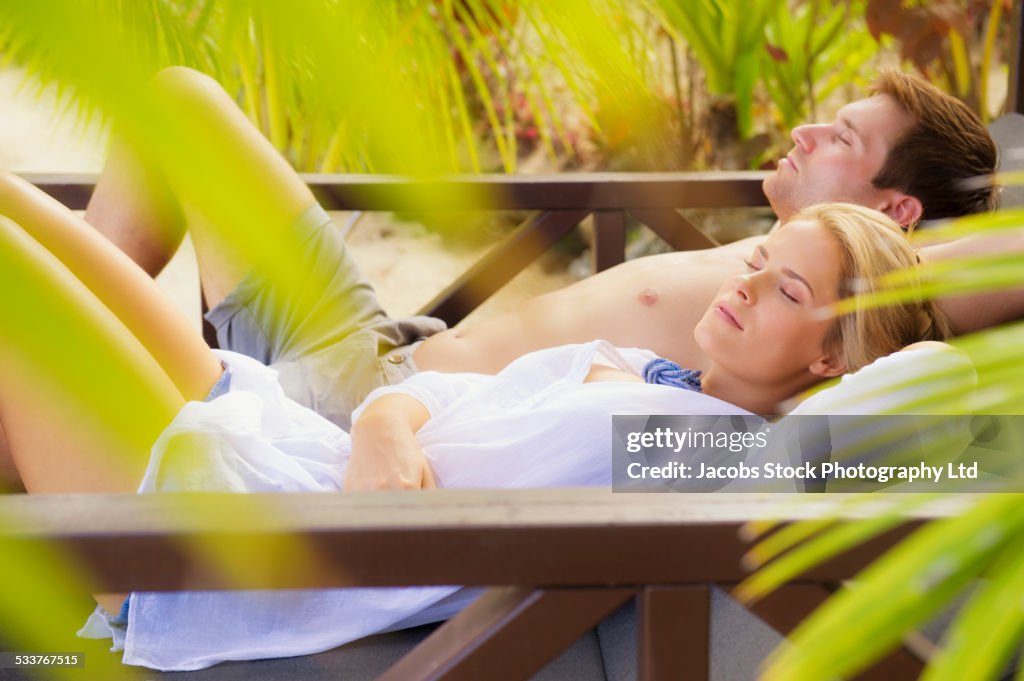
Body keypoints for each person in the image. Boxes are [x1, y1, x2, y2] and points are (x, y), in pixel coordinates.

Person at [0, 192, 947, 669]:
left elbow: (970, 427)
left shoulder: (711, 443)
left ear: (835, 360)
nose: (739, 282)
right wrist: (384, 426)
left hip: (227, 538)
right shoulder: (623, 365)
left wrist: (908, 316)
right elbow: (427, 401)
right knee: (20, 209)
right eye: (757, 257)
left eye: (785, 289)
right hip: (282, 437)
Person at [0, 66, 1007, 493]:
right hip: (380, 371)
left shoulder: (859, 302)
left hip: (347, 426)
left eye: (838, 137)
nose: (801, 129)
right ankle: (60, 421)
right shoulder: (737, 294)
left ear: (897, 215)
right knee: (176, 107)